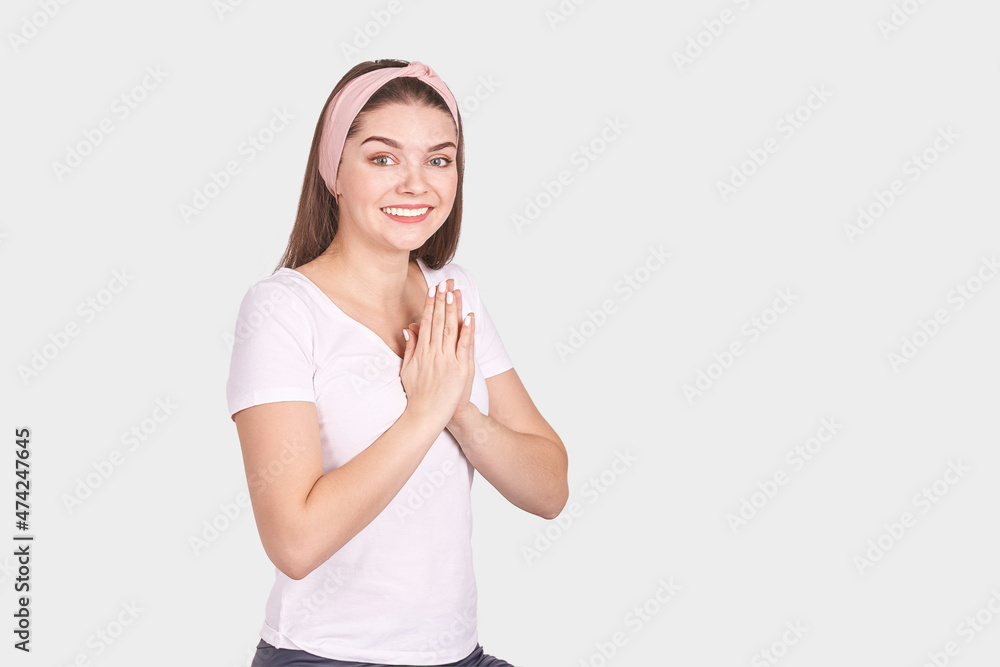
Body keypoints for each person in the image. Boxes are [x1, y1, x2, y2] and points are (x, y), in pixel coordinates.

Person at [226, 59, 569, 667]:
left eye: (439, 160)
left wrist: (461, 413)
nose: (416, 185)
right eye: (383, 158)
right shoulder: (282, 310)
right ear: (333, 170)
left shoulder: (454, 293)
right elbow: (294, 543)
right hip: (326, 656)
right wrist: (426, 412)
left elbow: (549, 489)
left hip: (457, 655)